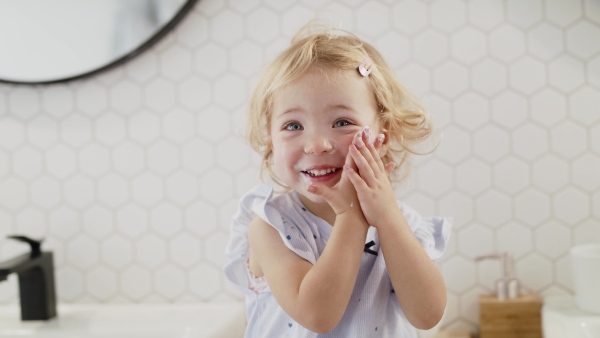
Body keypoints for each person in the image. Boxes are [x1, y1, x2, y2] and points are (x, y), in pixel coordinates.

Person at [224, 23, 452, 338]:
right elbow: (317, 315)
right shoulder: (272, 226)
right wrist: (351, 216)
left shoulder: (401, 224)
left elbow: (427, 315)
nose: (317, 144)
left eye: (342, 122)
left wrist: (386, 218)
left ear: (382, 136)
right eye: (293, 125)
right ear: (270, 141)